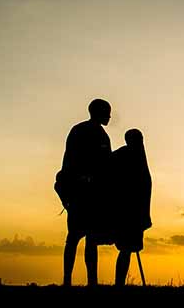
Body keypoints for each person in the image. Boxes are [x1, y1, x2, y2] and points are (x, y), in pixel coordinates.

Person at [56, 99, 112, 287]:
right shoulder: (81, 132)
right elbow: (69, 161)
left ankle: (91, 282)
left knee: (90, 239)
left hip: (94, 195)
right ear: (98, 112)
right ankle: (68, 281)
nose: (110, 116)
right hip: (80, 194)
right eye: (107, 112)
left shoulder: (102, 135)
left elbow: (107, 167)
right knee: (74, 238)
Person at [95, 129, 153, 286]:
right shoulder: (122, 154)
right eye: (137, 138)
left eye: (140, 138)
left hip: (137, 212)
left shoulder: (139, 156)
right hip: (125, 212)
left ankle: (119, 283)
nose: (140, 141)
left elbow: (145, 186)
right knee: (125, 248)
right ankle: (117, 283)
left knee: (127, 249)